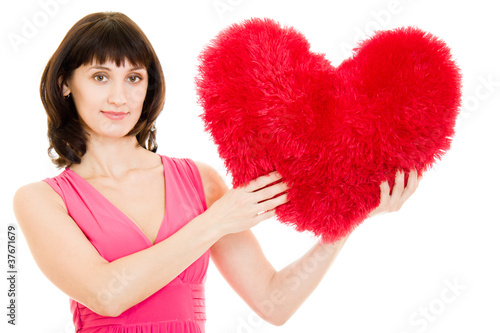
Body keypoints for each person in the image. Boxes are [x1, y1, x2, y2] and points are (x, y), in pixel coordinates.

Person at [12, 11, 420, 333]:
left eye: (133, 77)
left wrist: (347, 222)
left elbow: (273, 302)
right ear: (66, 83)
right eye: (101, 77)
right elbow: (106, 295)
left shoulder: (199, 181)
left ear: (148, 87)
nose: (119, 96)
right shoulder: (42, 199)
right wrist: (217, 221)